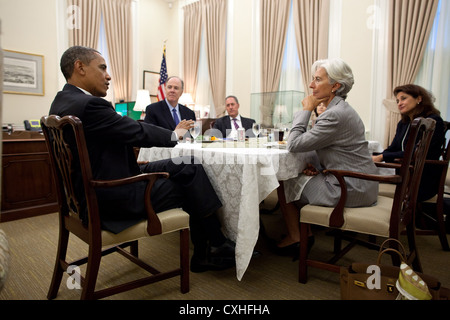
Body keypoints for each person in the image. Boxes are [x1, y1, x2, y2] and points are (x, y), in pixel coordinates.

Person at [50, 46, 235, 272]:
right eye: (102, 68)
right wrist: (173, 135)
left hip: (93, 191)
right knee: (191, 185)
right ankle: (212, 247)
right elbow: (135, 130)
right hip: (111, 197)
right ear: (80, 67)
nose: (108, 75)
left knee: (189, 164)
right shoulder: (90, 105)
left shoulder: (61, 102)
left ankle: (214, 244)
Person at [276, 58, 378, 252]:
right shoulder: (341, 110)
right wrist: (319, 167)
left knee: (284, 178)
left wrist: (306, 109)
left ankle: (296, 235)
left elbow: (294, 144)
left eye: (317, 79)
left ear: (335, 86)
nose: (311, 85)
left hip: (349, 188)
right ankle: (304, 230)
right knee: (296, 175)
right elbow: (333, 149)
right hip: (362, 183)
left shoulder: (334, 114)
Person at [372, 84, 445, 202]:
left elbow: (416, 153)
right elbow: (392, 149)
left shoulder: (433, 121)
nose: (399, 103)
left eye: (403, 98)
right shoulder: (403, 123)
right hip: (405, 176)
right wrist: (376, 156)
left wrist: (382, 156)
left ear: (419, 99)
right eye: (397, 100)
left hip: (423, 179)